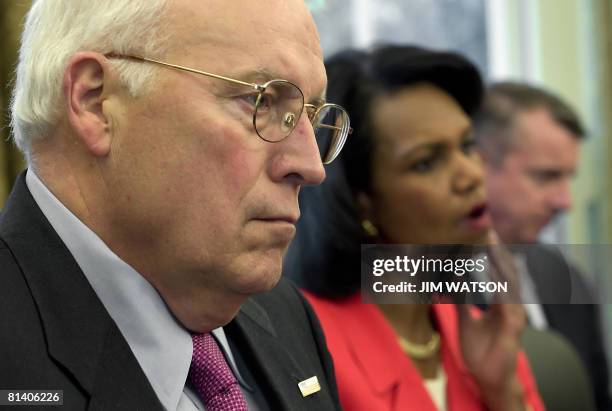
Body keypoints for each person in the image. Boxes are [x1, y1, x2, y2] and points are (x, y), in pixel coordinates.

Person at [0, 1, 352, 410]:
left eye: (309, 115)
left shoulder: (286, 317)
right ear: (95, 101)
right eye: (263, 103)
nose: (311, 167)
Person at [286, 45, 544, 411]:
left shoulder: (481, 331)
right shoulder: (304, 344)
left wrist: (502, 392)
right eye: (426, 163)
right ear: (361, 198)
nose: (471, 175)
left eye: (468, 146)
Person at [474, 82, 612, 410]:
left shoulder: (567, 278)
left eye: (567, 178)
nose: (565, 201)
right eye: (546, 177)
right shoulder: (419, 284)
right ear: (478, 165)